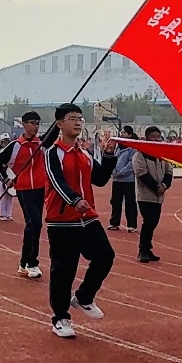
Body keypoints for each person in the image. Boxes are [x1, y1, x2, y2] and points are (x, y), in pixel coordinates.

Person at [42, 103, 119, 339]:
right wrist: (74, 200)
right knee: (63, 270)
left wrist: (107, 155)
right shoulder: (52, 153)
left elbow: (100, 179)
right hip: (62, 220)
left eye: (80, 119)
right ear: (59, 124)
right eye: (72, 118)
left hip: (87, 218)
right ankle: (60, 318)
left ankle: (84, 297)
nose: (77, 122)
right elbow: (57, 181)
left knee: (105, 256)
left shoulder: (84, 153)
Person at [0, 111, 45, 279]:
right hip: (24, 189)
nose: (36, 126)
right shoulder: (15, 145)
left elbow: (54, 136)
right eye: (32, 123)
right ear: (23, 124)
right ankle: (32, 263)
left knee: (32, 225)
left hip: (40, 189)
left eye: (38, 123)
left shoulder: (42, 143)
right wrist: (6, 179)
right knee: (35, 223)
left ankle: (23, 263)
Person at [132, 126, 174, 263]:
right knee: (149, 221)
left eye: (158, 136)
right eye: (153, 136)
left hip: (159, 196)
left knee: (153, 222)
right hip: (145, 195)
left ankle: (148, 249)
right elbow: (141, 173)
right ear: (147, 138)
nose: (156, 139)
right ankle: (142, 250)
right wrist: (156, 187)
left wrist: (164, 186)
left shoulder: (162, 155)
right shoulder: (140, 155)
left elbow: (169, 171)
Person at [107, 126, 138, 233]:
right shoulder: (118, 147)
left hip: (128, 180)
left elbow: (131, 164)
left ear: (129, 135)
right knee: (115, 201)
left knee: (130, 202)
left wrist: (121, 172)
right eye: (121, 132)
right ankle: (114, 222)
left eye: (124, 132)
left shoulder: (132, 148)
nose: (121, 134)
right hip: (116, 180)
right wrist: (113, 171)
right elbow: (113, 160)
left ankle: (132, 224)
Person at [0, 133, 15, 221]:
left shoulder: (11, 152)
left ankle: (8, 213)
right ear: (1, 143)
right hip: (1, 175)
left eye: (7, 141)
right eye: (4, 142)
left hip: (9, 174)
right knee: (1, 193)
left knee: (10, 194)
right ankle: (2, 213)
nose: (6, 143)